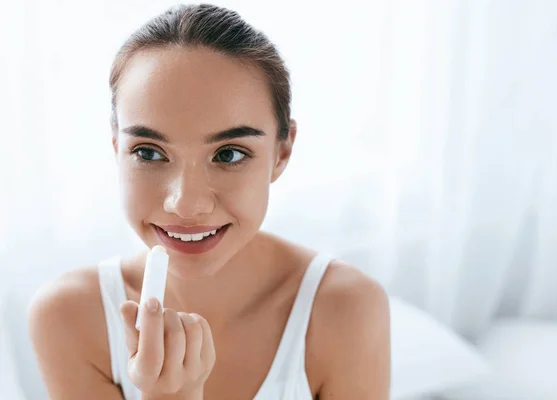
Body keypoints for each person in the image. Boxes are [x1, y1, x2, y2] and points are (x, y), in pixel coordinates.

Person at [28, 4, 390, 399]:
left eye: (229, 154)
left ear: (281, 152)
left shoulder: (346, 310)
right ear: (117, 150)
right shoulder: (68, 317)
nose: (185, 204)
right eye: (148, 152)